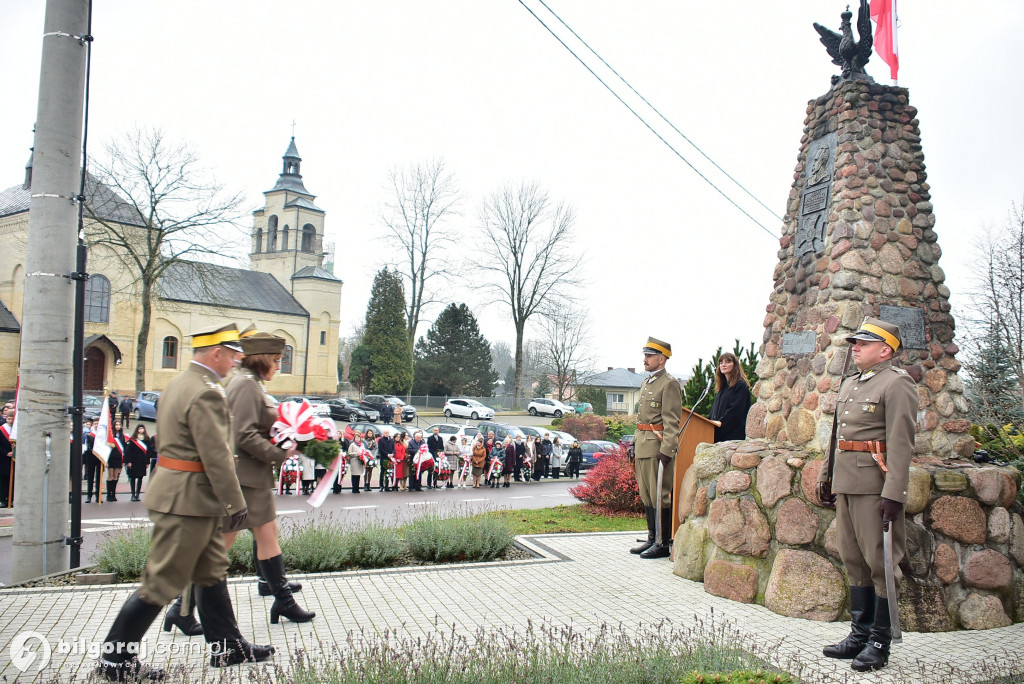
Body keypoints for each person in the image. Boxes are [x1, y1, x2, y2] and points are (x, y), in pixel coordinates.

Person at [97, 323, 274, 681]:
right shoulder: (206, 392)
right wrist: (236, 503)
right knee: (162, 581)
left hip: (183, 493)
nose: (235, 361)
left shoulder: (180, 382)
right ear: (216, 353)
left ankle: (228, 646)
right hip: (188, 500)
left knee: (211, 573)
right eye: (232, 355)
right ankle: (115, 660)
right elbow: (216, 456)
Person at [818, 318, 916, 673]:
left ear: (885, 350)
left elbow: (901, 444)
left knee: (880, 562)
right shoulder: (851, 383)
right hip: (847, 483)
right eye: (855, 343)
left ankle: (879, 641)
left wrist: (894, 494)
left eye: (863, 343)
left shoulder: (897, 383)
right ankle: (859, 634)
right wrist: (827, 475)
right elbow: (837, 437)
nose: (855, 347)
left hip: (875, 487)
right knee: (853, 558)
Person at [217, 330, 313, 626]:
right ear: (262, 359)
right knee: (221, 546)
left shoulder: (249, 382)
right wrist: (280, 453)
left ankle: (282, 599)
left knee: (267, 535)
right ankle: (182, 608)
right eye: (276, 359)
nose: (279, 365)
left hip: (251, 477)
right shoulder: (246, 385)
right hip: (245, 478)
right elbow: (244, 434)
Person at [632, 337, 682, 559]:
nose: (645, 359)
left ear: (661, 359)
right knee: (646, 494)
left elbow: (672, 422)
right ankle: (652, 538)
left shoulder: (669, 384)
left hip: (656, 446)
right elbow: (642, 419)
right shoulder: (647, 382)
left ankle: (662, 543)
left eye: (649, 356)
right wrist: (634, 443)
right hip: (643, 444)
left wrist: (667, 449)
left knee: (659, 494)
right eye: (645, 355)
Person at [708, 352, 752, 442]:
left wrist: (719, 426)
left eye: (728, 362)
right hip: (716, 436)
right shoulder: (722, 387)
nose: (723, 365)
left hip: (731, 437)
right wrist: (707, 424)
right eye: (721, 363)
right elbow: (713, 412)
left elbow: (735, 412)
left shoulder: (740, 386)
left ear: (735, 365)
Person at [125, 424, 153, 502]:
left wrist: (147, 462)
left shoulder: (147, 439)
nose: (141, 430)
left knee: (140, 478)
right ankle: (133, 494)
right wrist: (129, 461)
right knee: (132, 478)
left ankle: (137, 494)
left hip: (142, 461)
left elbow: (148, 452)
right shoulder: (133, 439)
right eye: (139, 429)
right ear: (137, 430)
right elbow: (128, 451)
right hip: (133, 461)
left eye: (142, 429)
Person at [82, 418, 101, 504]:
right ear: (93, 425)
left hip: (100, 457)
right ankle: (89, 496)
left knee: (99, 477)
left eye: (98, 424)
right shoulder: (89, 435)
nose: (96, 425)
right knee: (90, 477)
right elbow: (87, 447)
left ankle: (98, 495)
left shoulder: (102, 435)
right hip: (91, 457)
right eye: (95, 424)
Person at [106, 419, 125, 502]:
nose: (118, 426)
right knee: (110, 475)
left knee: (115, 476)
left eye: (119, 425)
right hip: (111, 458)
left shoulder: (122, 436)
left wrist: (123, 460)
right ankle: (108, 494)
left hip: (118, 458)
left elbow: (123, 447)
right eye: (116, 425)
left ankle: (113, 494)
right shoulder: (110, 435)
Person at [0, 408, 13, 508]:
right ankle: (2, 499)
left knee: (13, 480)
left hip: (14, 458)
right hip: (4, 458)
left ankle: (11, 499)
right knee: (4, 480)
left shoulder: (17, 430)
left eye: (12, 419)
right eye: (9, 419)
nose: (10, 421)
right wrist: (6, 453)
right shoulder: (1, 429)